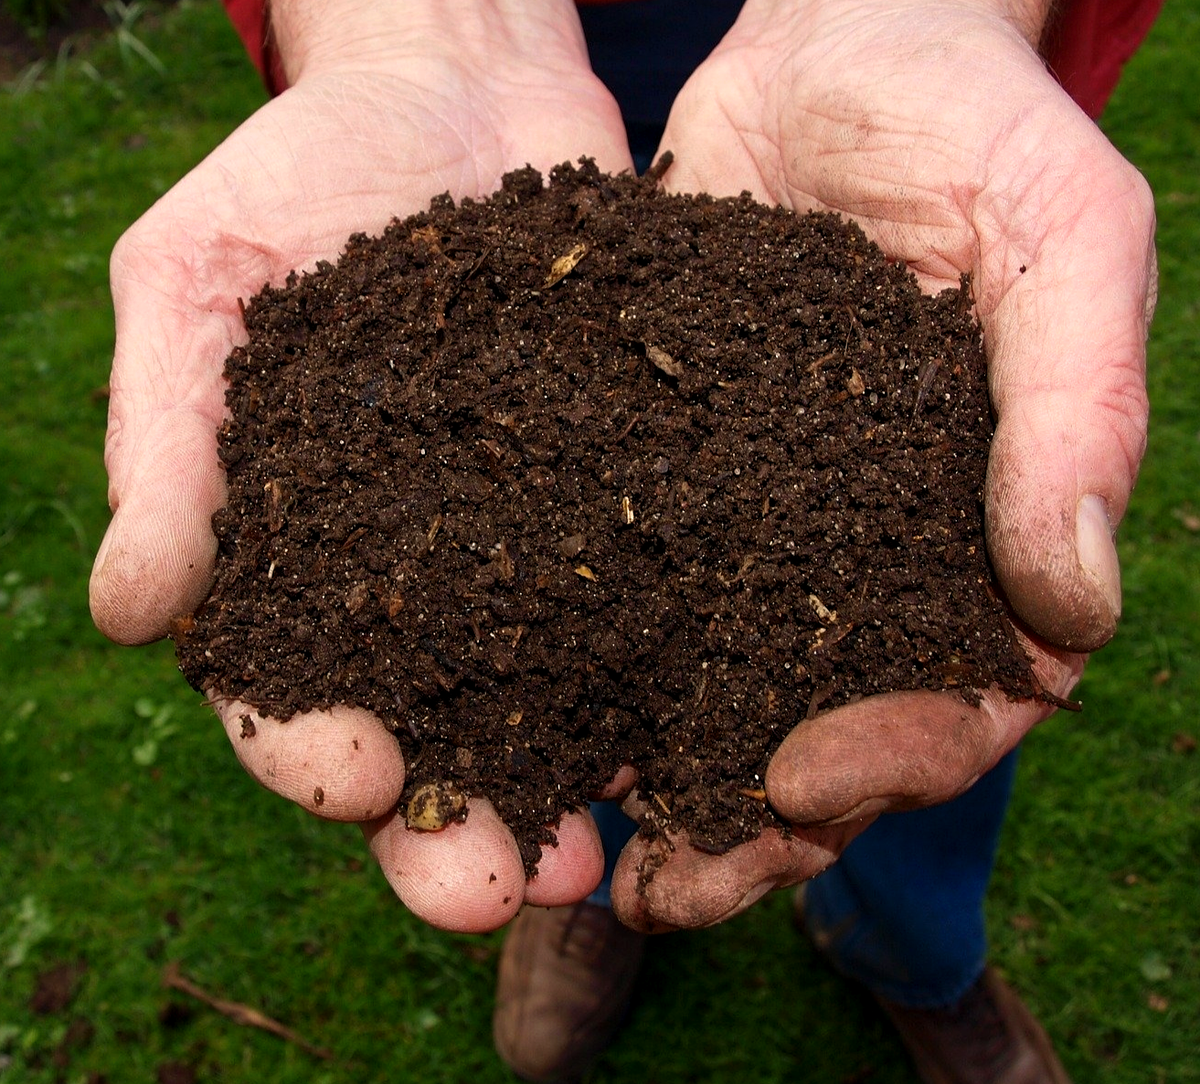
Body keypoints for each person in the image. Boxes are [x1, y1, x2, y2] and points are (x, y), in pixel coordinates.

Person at [89, 1, 1160, 1081]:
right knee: (591, 725)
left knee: (923, 701)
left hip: (851, 84)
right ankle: (589, 895)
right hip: (538, 56)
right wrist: (412, 28)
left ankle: (917, 955)